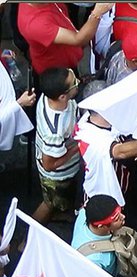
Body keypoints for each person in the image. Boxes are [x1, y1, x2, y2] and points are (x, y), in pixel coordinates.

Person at [33, 67, 80, 224]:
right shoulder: (54, 130)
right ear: (62, 96)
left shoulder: (48, 97)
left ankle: (59, 213)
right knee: (49, 203)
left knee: (59, 201)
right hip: (57, 176)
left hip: (66, 167)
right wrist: (77, 147)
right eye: (74, 83)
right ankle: (27, 238)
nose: (77, 83)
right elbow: (49, 165)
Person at [17, 2, 113, 74]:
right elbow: (78, 39)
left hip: (67, 57)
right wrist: (97, 13)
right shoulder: (36, 24)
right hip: (56, 71)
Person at [71, 194, 125, 275]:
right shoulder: (94, 260)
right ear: (101, 226)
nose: (123, 216)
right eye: (117, 219)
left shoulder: (83, 214)